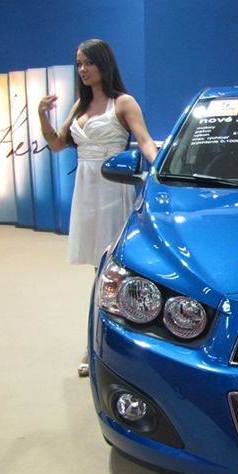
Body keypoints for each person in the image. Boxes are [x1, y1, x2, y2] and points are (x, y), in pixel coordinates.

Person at [37, 38, 158, 377]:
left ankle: (109, 345)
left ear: (103, 63)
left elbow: (145, 140)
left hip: (113, 189)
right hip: (86, 193)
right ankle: (96, 343)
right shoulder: (80, 105)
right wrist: (42, 115)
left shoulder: (123, 103)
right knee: (97, 270)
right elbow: (57, 143)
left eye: (88, 62)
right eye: (78, 63)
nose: (82, 69)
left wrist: (160, 171)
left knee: (113, 271)